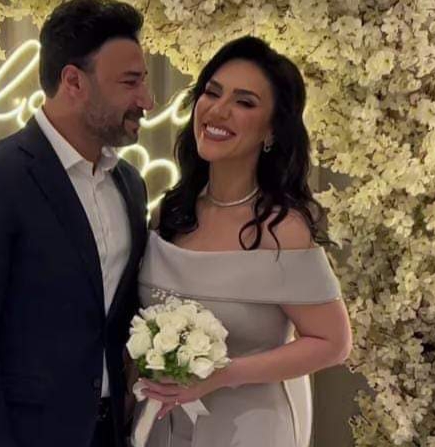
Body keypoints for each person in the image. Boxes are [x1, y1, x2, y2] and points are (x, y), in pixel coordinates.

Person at [0, 1, 153, 447]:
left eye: (144, 80)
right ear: (73, 82)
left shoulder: (130, 184)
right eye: (131, 82)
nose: (147, 100)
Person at [136, 36, 353, 447]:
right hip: (163, 423)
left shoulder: (283, 229)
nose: (218, 110)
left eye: (244, 102)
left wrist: (223, 374)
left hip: (249, 426)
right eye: (212, 92)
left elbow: (333, 343)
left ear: (271, 129)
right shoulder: (171, 213)